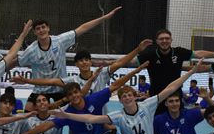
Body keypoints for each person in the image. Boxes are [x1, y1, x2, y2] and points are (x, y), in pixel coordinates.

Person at [49, 60, 204, 134]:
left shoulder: (147, 105)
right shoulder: (118, 116)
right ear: (120, 101)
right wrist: (66, 115)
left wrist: (191, 72)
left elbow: (171, 88)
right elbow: (91, 119)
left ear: (134, 96)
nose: (127, 98)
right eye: (124, 97)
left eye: (130, 95)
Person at [12, 63, 147, 134]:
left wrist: (137, 70)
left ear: (80, 92)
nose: (74, 96)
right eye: (70, 95)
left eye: (76, 92)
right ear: (68, 98)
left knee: (112, 132)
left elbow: (115, 85)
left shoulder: (94, 99)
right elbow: (47, 125)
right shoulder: (67, 113)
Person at [18, 7, 123, 103]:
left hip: (60, 89)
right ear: (34, 32)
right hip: (40, 90)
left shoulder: (60, 41)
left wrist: (105, 18)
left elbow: (82, 28)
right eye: (38, 29)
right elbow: (18, 61)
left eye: (43, 27)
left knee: (66, 114)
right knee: (28, 114)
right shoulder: (31, 50)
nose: (41, 30)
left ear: (48, 28)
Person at [11, 39, 151, 97]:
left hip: (99, 118)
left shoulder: (101, 74)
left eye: (86, 60)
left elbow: (120, 63)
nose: (84, 63)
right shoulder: (72, 81)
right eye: (81, 61)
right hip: (80, 120)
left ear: (90, 62)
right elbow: (50, 81)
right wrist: (27, 81)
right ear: (76, 64)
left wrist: (138, 49)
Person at [137, 29, 214, 115]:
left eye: (167, 38)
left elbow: (198, 53)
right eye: (161, 39)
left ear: (171, 40)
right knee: (157, 122)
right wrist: (137, 50)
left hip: (176, 98)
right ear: (157, 41)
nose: (164, 41)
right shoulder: (150, 54)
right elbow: (131, 61)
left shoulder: (179, 52)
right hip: (157, 98)